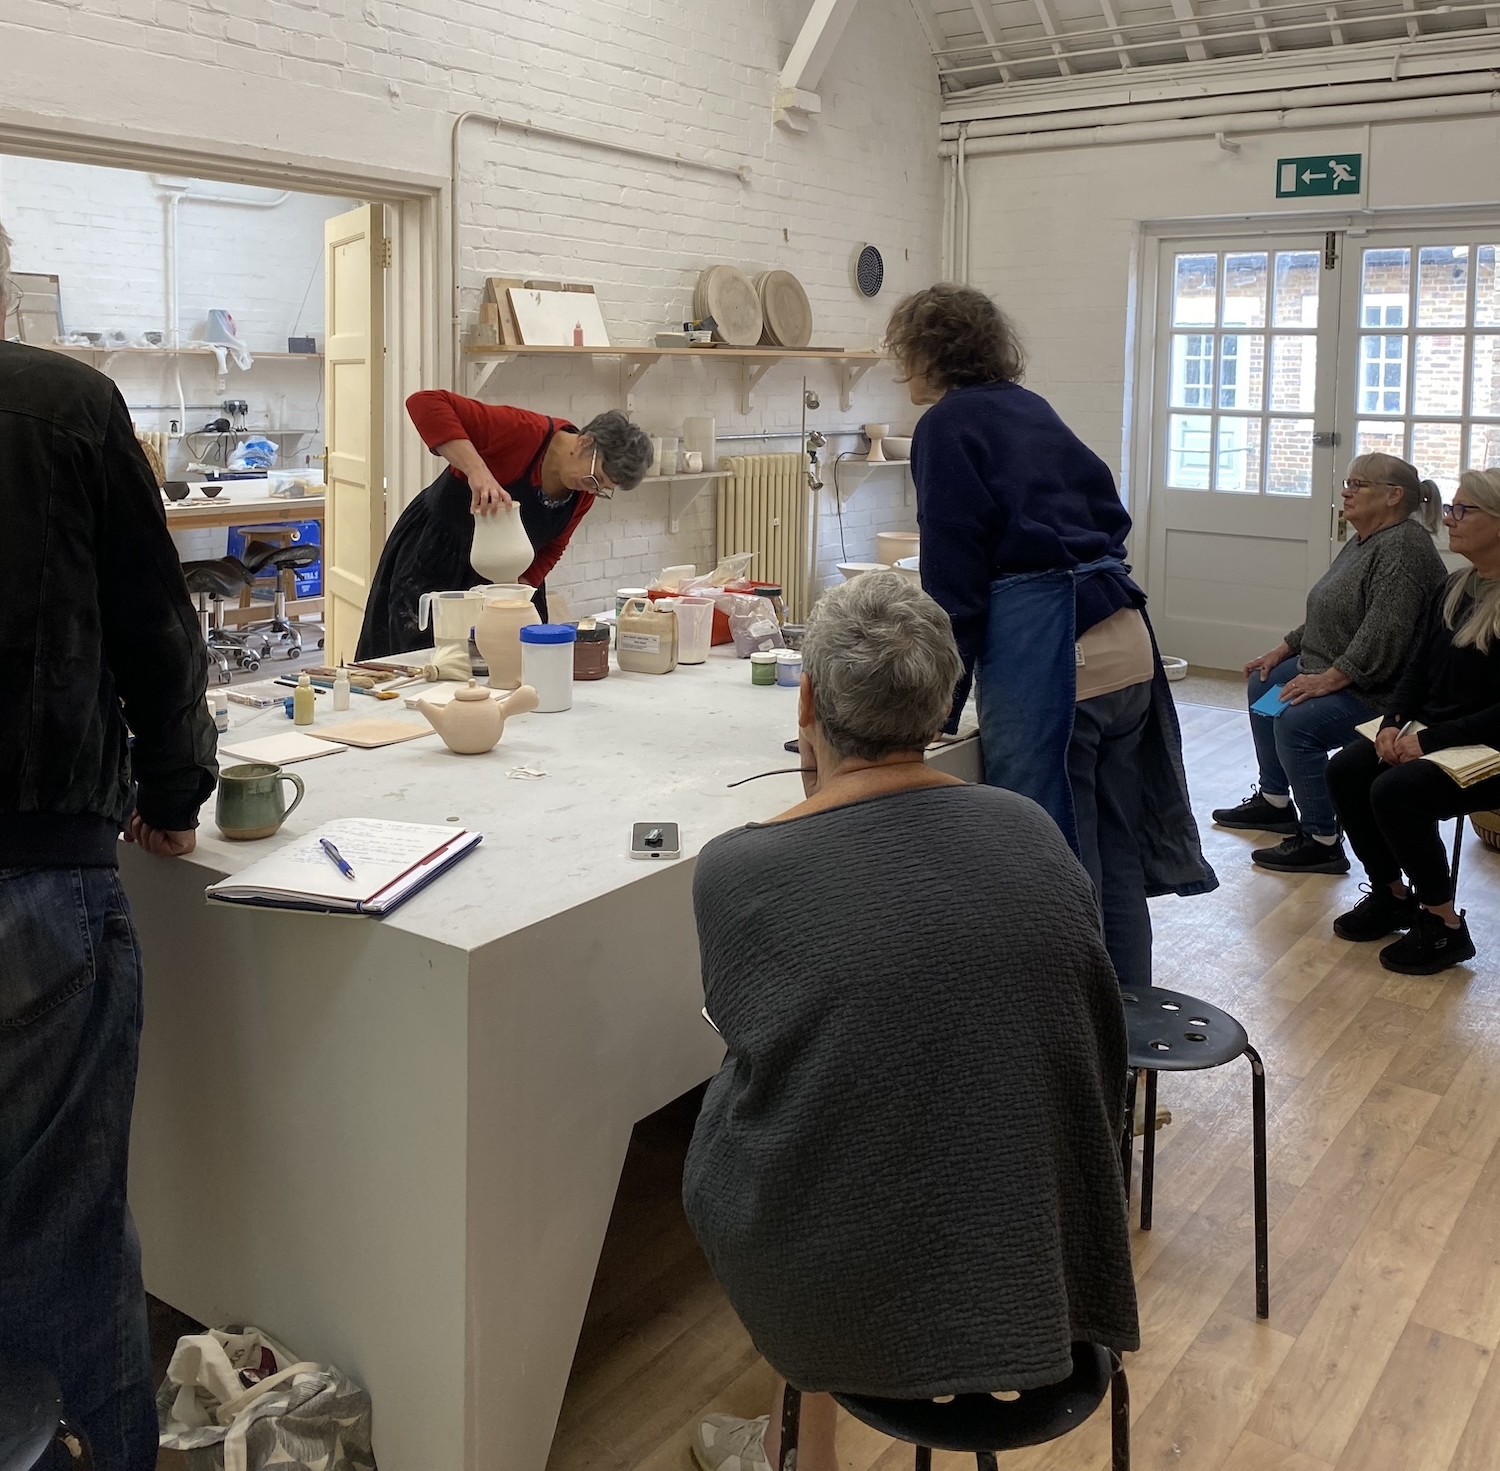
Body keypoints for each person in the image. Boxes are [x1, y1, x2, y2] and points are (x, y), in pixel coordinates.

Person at [684, 568, 1138, 1471]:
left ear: (807, 698)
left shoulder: (740, 869)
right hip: (1040, 1241)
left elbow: (757, 1044)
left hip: (844, 1252)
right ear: (942, 705)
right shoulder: (1027, 825)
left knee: (795, 1117)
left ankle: (799, 1447)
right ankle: (795, 1441)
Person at [0, 218, 219, 1471]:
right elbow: (155, 621)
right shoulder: (67, 405)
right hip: (38, 867)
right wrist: (176, 783)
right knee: (64, 1225)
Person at [885, 281, 1213, 987]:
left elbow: (954, 580)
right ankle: (1125, 1066)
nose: (898, 368)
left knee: (1056, 866)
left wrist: (938, 701)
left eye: (902, 353)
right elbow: (1110, 517)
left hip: (1060, 650)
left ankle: (1075, 1066)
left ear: (927, 353)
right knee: (1116, 862)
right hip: (1125, 638)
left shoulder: (947, 426)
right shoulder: (1031, 408)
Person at [1217, 454, 1445, 876]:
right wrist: (1285, 649)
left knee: (1296, 722)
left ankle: (1322, 839)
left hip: (1379, 687)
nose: (1346, 491)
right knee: (1265, 688)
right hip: (1342, 667)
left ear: (1394, 496)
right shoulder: (1365, 539)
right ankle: (1275, 801)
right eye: (1348, 482)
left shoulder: (1404, 548)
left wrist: (1329, 679)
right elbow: (1331, 610)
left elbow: (1384, 634)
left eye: (1359, 484)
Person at [1324, 468, 1500, 975]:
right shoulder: (1454, 587)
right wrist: (1392, 723)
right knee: (1348, 771)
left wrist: (1429, 742)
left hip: (1489, 744)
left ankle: (1443, 925)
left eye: (1465, 511)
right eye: (1452, 508)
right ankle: (1392, 893)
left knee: (1397, 790)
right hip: (1439, 732)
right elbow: (1416, 671)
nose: (1451, 519)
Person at [356, 394, 651, 657]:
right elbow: (424, 402)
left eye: (602, 488)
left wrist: (521, 589)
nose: (592, 490)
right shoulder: (522, 431)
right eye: (595, 478)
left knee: (512, 663)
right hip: (435, 555)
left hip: (503, 580)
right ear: (585, 443)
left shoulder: (582, 490)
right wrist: (477, 471)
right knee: (422, 661)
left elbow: (553, 546)